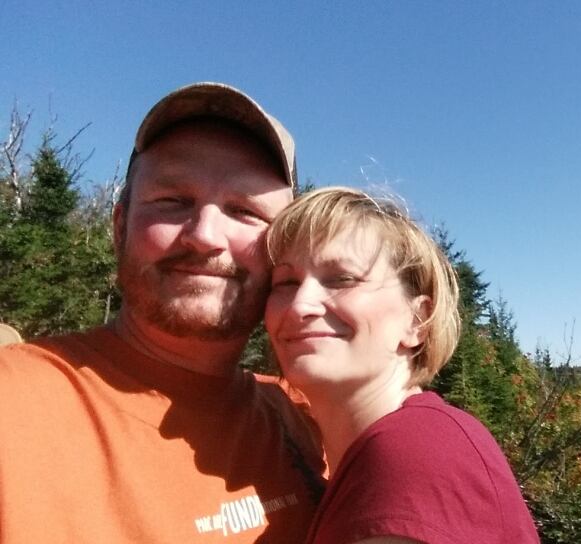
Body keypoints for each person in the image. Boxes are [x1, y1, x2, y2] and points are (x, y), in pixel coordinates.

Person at [0, 83, 326, 543]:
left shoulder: (310, 417)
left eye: (245, 210)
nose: (205, 235)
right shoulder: (15, 405)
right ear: (120, 227)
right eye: (172, 201)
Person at [264, 187, 540, 544]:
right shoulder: (367, 455)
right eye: (285, 282)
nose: (300, 305)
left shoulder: (417, 452)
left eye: (342, 279)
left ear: (417, 321)